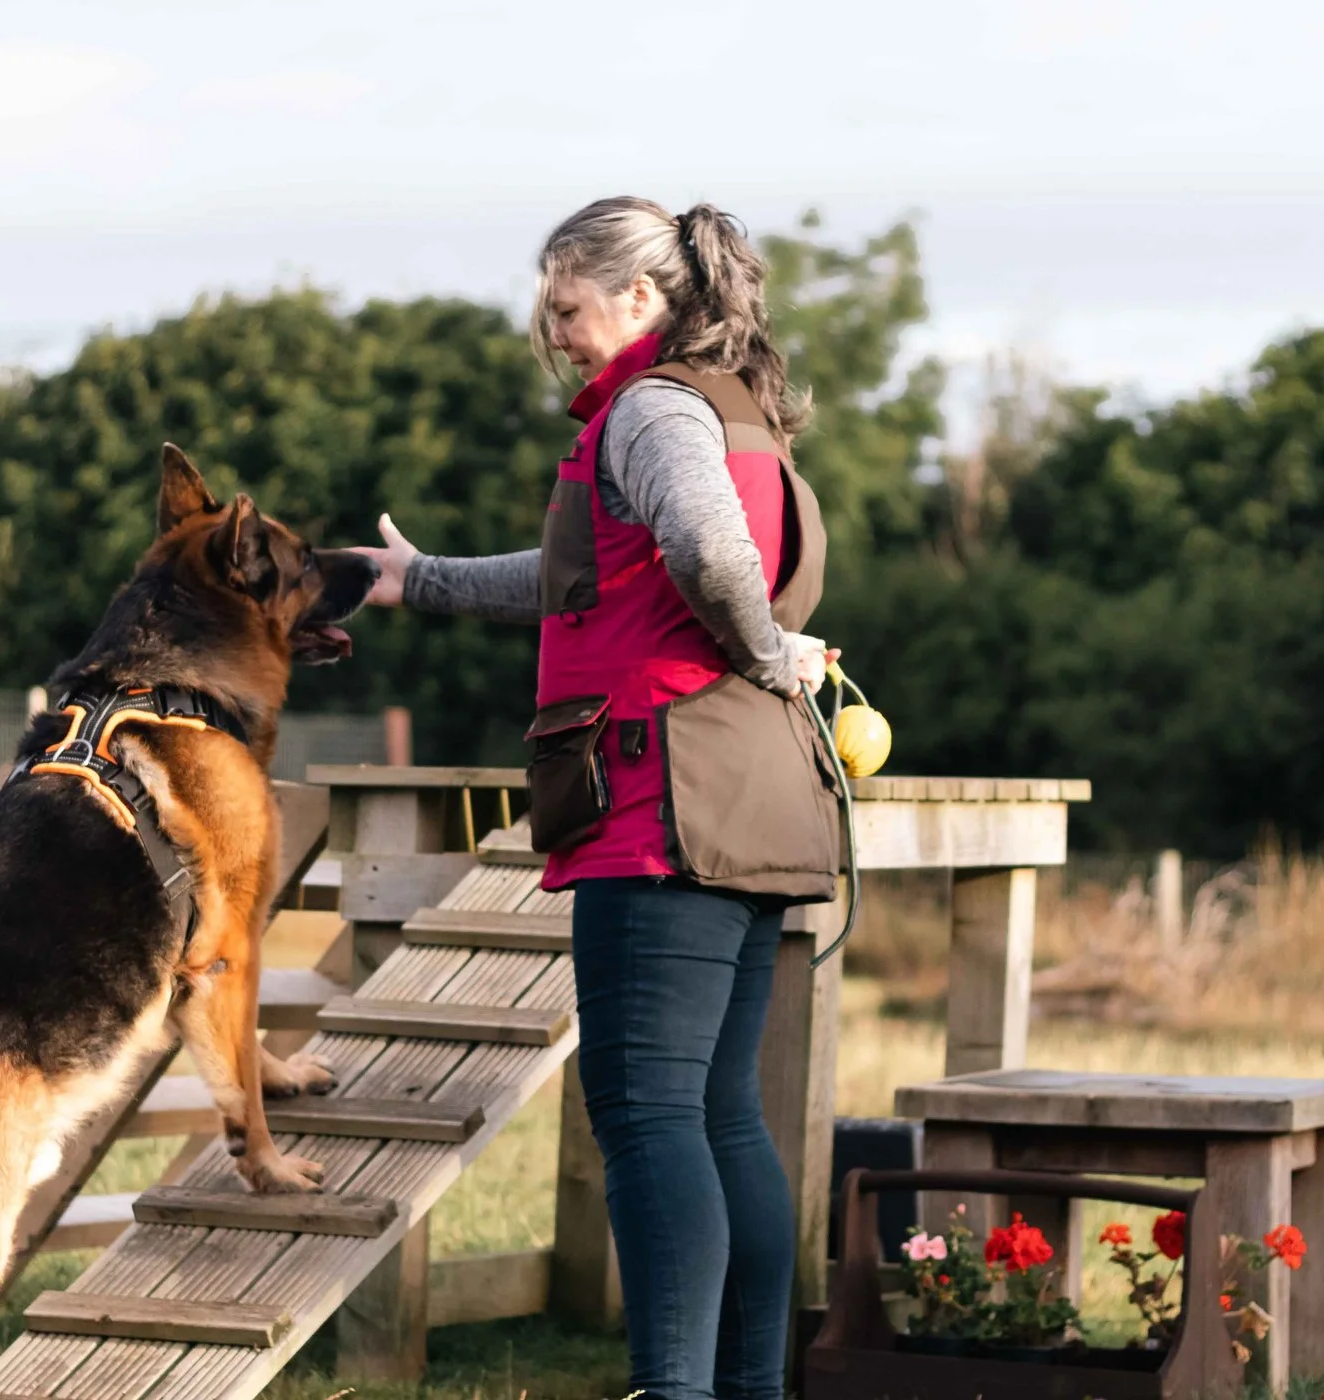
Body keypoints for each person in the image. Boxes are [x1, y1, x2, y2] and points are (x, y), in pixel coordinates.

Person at [354, 196, 840, 1400]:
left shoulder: (653, 405)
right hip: (753, 794)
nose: (553, 328)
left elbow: (714, 557)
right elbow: (593, 574)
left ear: (638, 298)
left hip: (662, 800)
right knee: (721, 1113)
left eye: (567, 304)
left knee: (646, 1110)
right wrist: (423, 583)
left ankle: (674, 1392)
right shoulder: (736, 413)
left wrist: (769, 651)